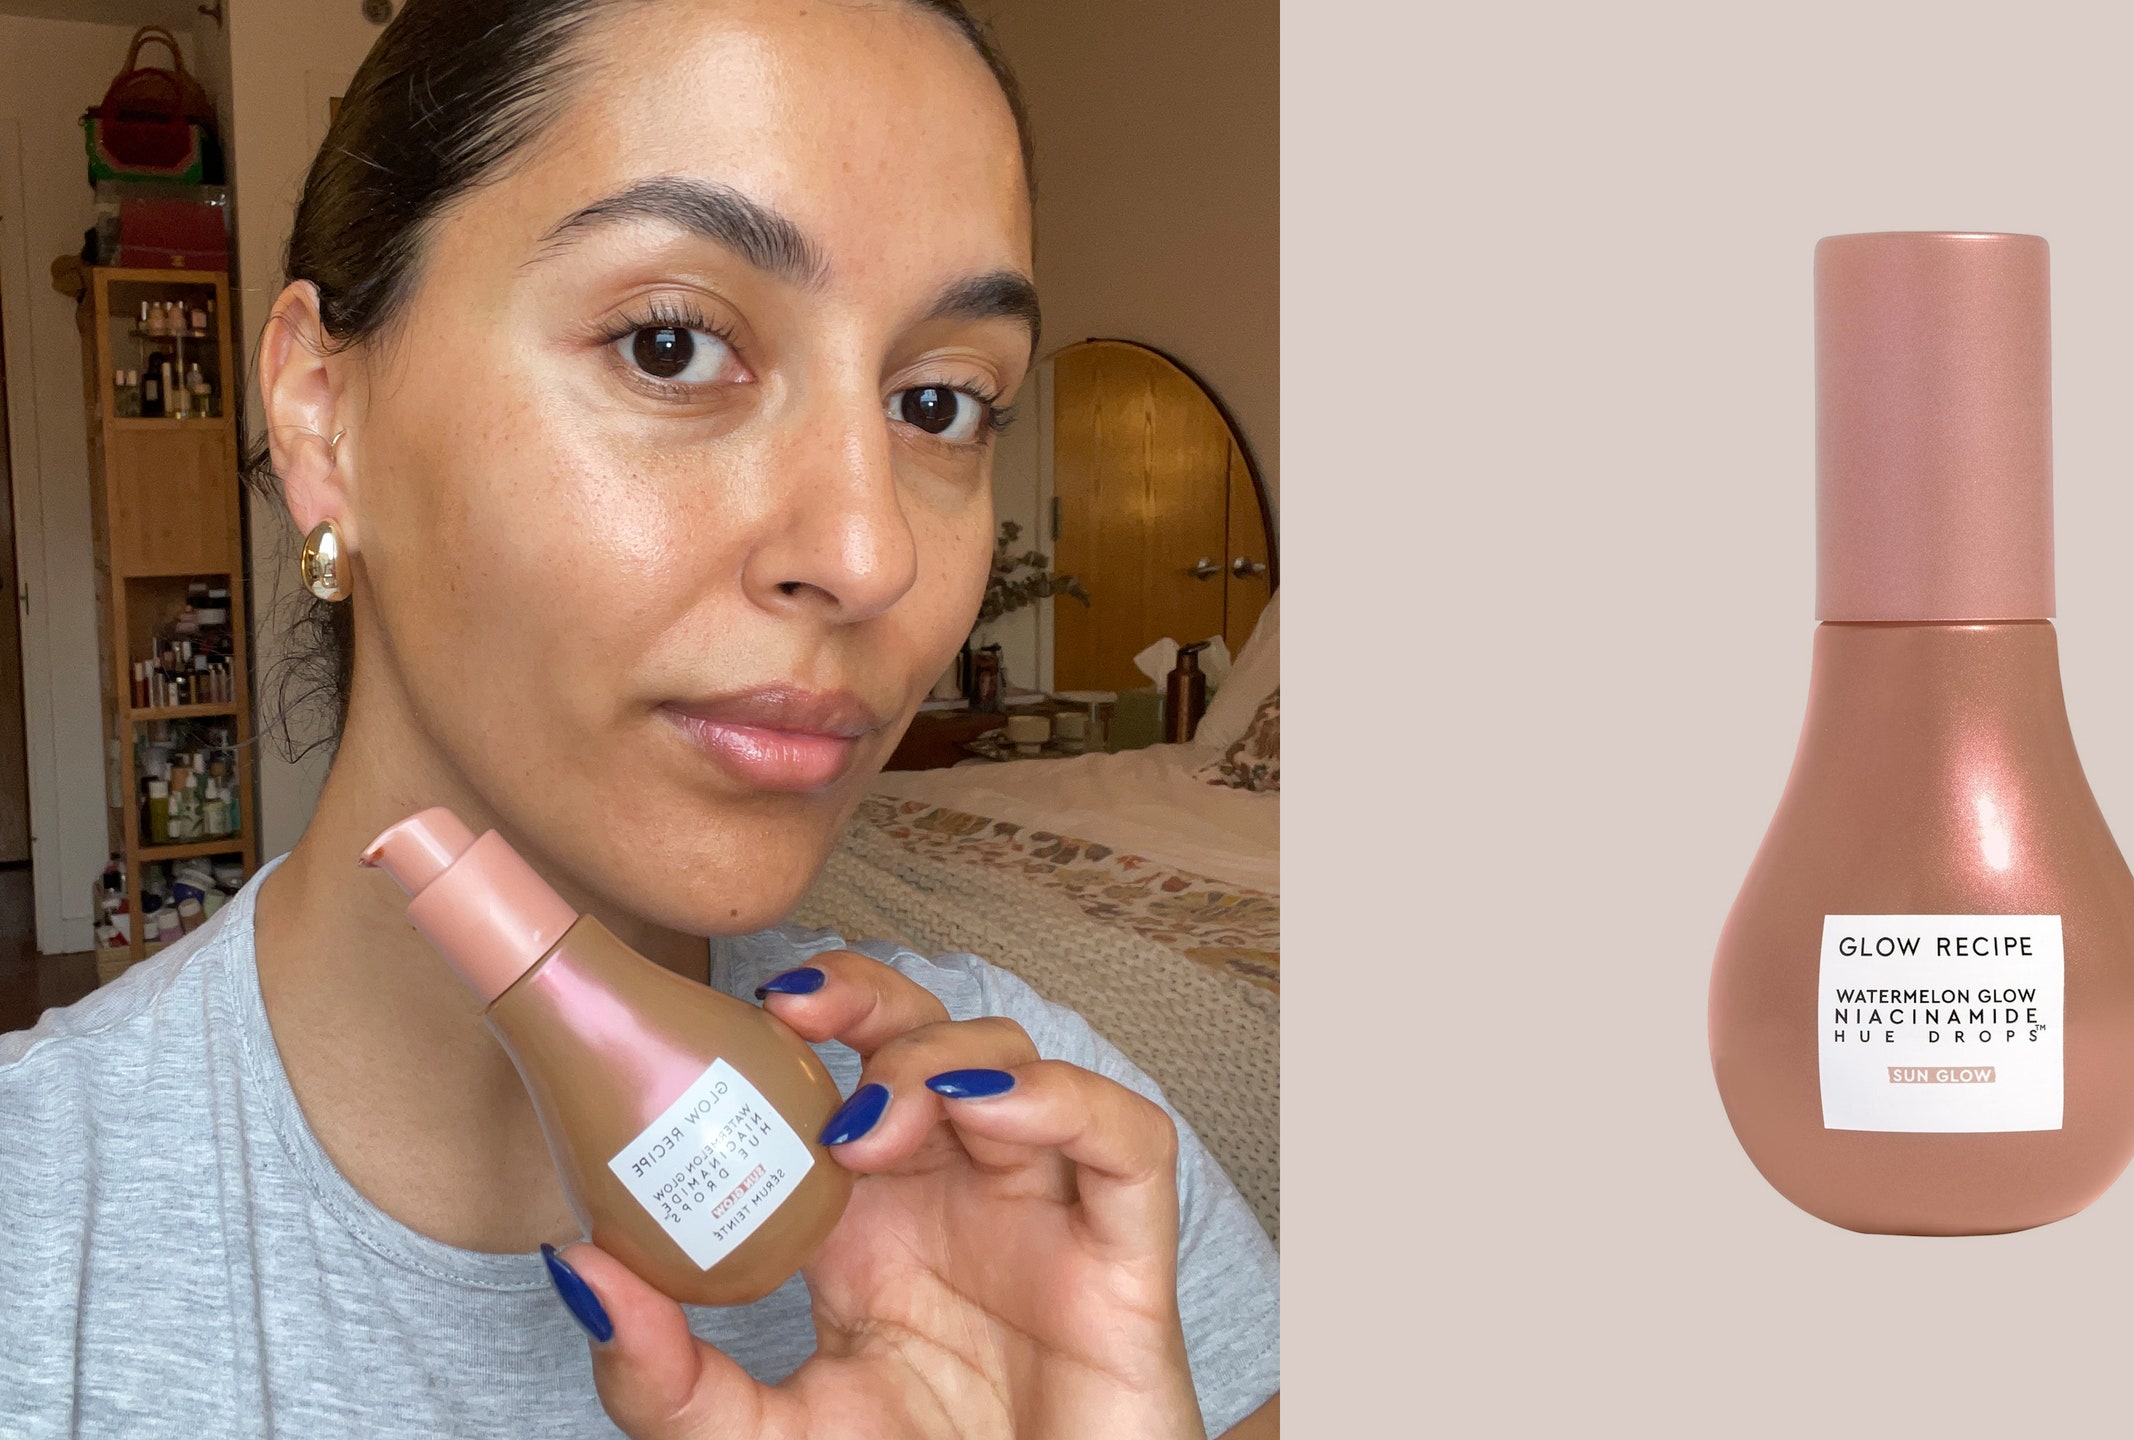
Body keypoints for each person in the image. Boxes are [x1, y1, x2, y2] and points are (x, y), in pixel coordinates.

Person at [0, 2, 1280, 1435]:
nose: (872, 557)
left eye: (940, 400)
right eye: (671, 346)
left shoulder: (1036, 1142)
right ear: (318, 412)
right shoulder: (36, 1240)